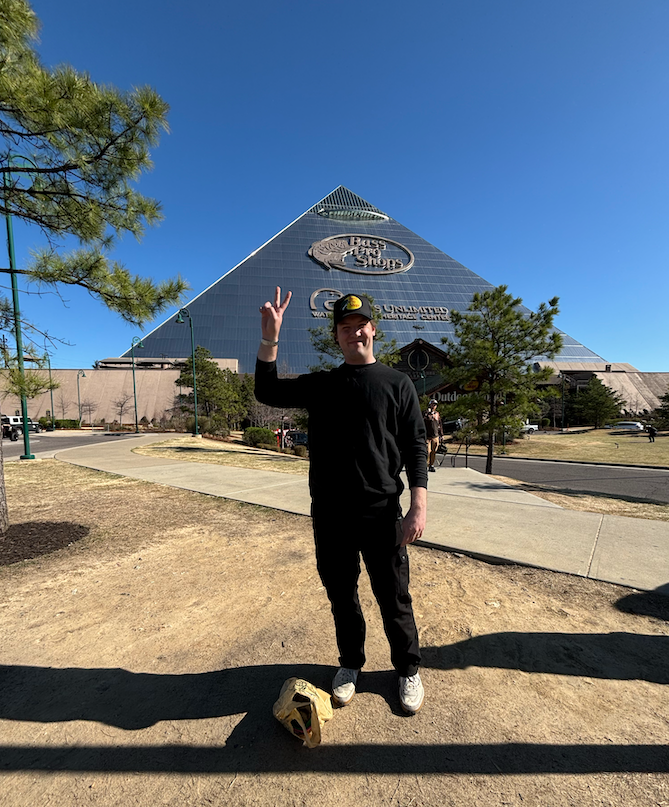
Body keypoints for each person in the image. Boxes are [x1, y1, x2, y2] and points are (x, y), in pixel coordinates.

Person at [255, 288, 428, 714]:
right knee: (342, 597)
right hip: (330, 516)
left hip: (382, 513)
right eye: (345, 328)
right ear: (337, 336)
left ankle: (407, 669)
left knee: (394, 598)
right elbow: (267, 391)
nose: (355, 333)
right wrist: (270, 338)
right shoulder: (323, 386)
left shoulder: (397, 384)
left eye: (361, 326)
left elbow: (416, 447)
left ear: (374, 329)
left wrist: (418, 507)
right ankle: (351, 664)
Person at [423, 399, 443, 472]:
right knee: (427, 451)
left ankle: (431, 465)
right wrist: (429, 414)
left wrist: (441, 435)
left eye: (435, 405)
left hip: (435, 435)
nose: (433, 406)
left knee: (434, 451)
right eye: (432, 405)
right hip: (427, 436)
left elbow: (440, 424)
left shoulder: (437, 414)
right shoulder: (426, 413)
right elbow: (424, 421)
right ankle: (424, 464)